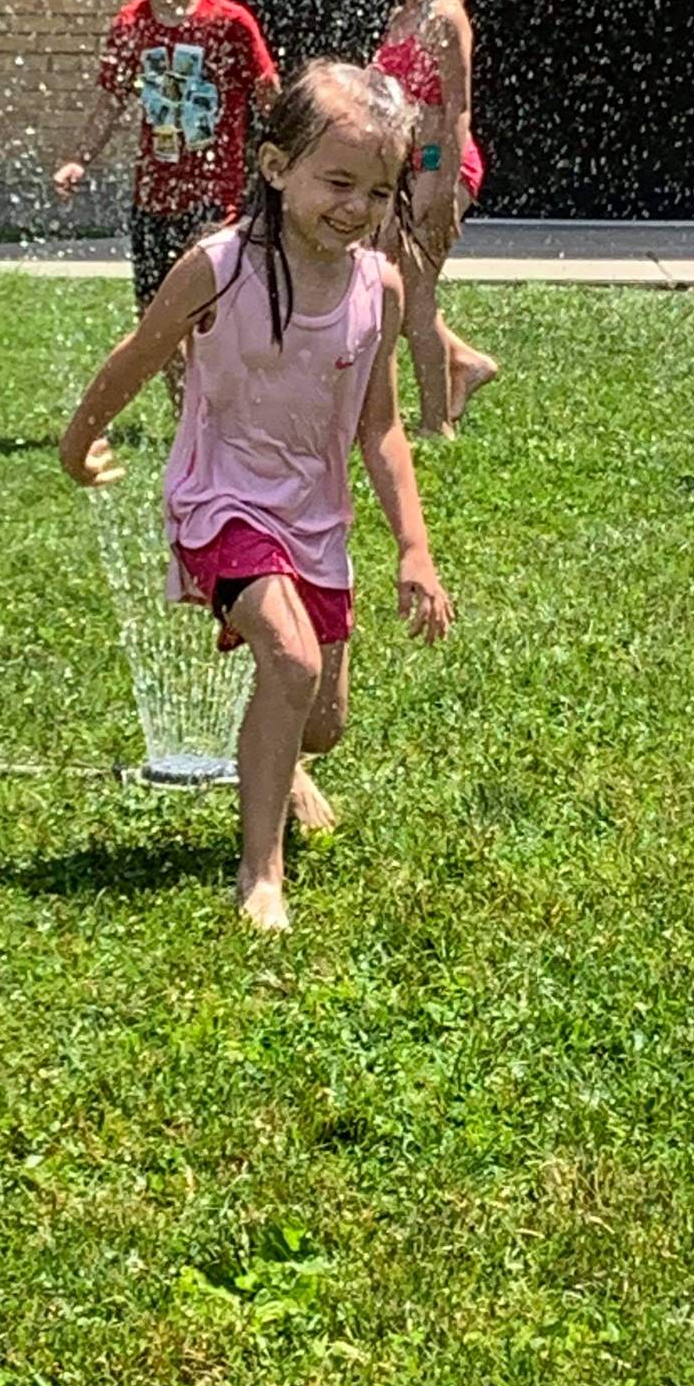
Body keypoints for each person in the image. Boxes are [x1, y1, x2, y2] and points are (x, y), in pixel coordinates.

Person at [60, 61, 453, 931]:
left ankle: (285, 758)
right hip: (221, 501)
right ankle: (259, 872)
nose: (356, 208)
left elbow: (380, 427)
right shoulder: (218, 267)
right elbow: (140, 350)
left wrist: (413, 547)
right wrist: (80, 435)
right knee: (293, 660)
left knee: (322, 724)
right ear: (276, 168)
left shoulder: (375, 290)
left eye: (379, 192)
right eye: (338, 182)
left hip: (316, 521)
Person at [53, 0, 279, 405]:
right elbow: (109, 102)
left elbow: (271, 99)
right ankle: (190, 421)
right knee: (157, 319)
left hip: (212, 198)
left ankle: (226, 407)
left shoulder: (229, 24)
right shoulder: (130, 25)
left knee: (206, 311)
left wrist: (296, 159)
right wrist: (77, 159)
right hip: (152, 198)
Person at [373, 0, 497, 437]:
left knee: (414, 297)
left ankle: (433, 425)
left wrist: (444, 189)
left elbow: (457, 111)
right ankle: (463, 364)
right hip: (407, 168)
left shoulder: (445, 16)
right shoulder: (402, 16)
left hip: (438, 163)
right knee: (388, 285)